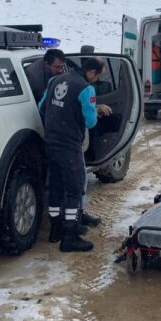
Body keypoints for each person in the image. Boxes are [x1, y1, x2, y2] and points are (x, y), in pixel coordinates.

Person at [39, 57, 112, 252]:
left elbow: (42, 108)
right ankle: (70, 236)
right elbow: (90, 122)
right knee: (75, 189)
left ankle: (56, 230)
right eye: (98, 76)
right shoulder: (86, 89)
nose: (97, 80)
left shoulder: (54, 81)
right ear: (91, 73)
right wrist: (94, 112)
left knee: (56, 187)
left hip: (50, 142)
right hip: (69, 146)